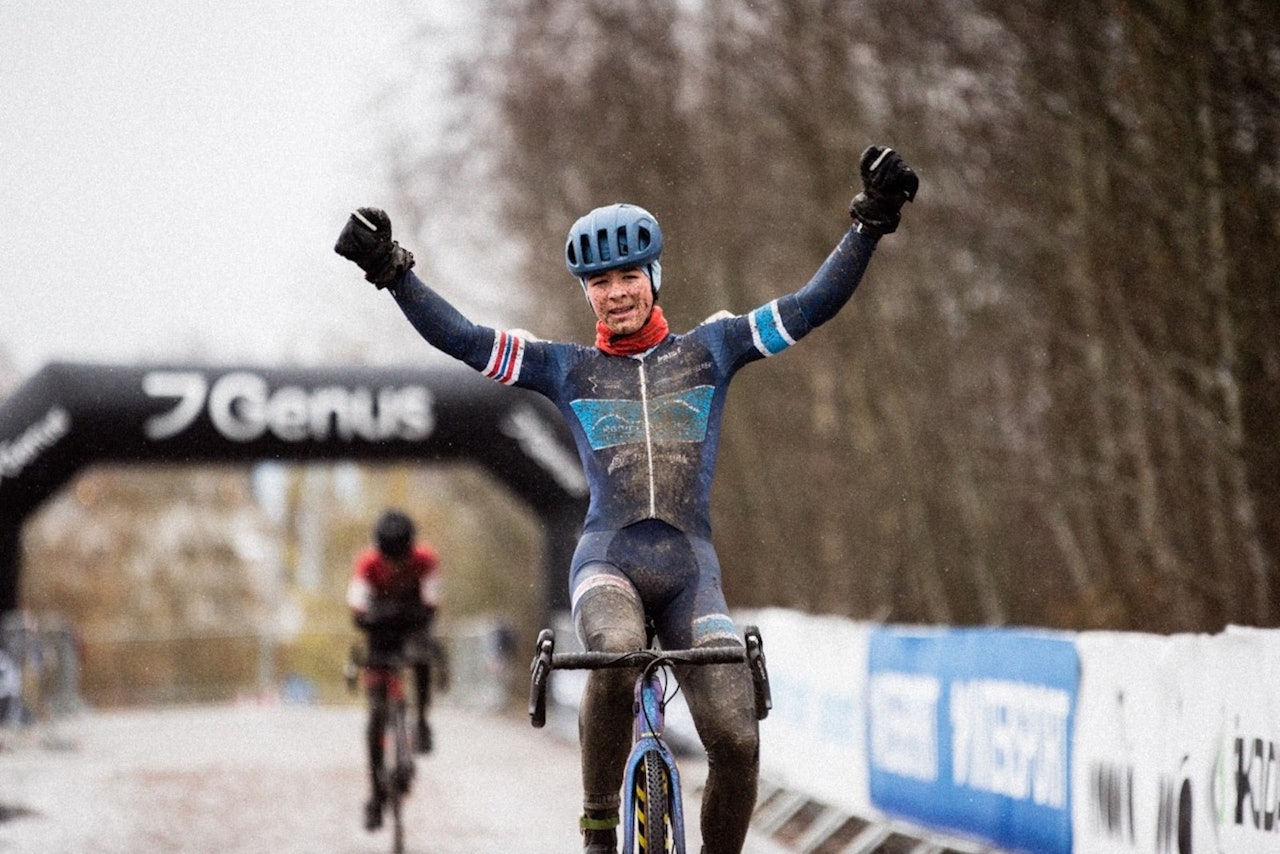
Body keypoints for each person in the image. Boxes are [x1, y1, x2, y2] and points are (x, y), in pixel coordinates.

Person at [335, 145, 917, 854]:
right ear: (586, 293)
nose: (615, 292)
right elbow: (464, 340)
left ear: (654, 277)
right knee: (612, 651)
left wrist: (869, 222)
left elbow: (810, 306)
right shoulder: (564, 367)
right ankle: (599, 827)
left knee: (736, 737)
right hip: (607, 561)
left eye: (628, 276)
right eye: (600, 281)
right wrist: (394, 273)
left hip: (690, 573)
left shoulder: (716, 347)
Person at [347, 508, 442, 831]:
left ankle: (422, 721)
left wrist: (408, 617)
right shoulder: (368, 565)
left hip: (413, 627)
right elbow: (358, 610)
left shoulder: (425, 560)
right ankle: (375, 795)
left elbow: (431, 605)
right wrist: (377, 617)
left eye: (400, 557)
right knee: (375, 715)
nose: (395, 565)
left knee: (423, 656)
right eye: (389, 558)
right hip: (381, 635)